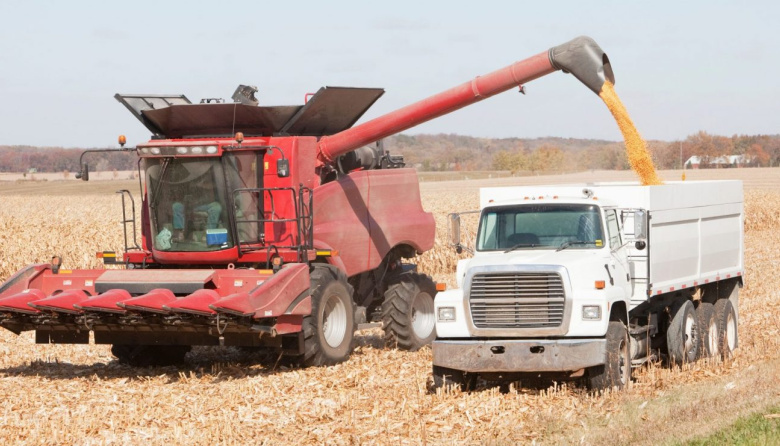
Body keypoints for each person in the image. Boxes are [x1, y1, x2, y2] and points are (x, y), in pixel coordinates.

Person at [170, 172, 222, 241]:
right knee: (176, 206)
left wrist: (201, 185)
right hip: (189, 204)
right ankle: (180, 232)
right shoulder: (185, 177)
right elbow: (179, 193)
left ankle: (208, 233)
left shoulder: (207, 173)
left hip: (205, 204)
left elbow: (212, 188)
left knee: (216, 207)